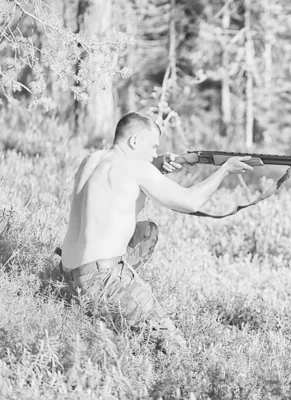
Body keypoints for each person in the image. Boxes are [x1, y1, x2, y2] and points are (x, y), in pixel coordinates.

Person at [58, 111, 253, 350]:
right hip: (101, 279)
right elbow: (190, 201)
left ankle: (111, 310)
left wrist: (158, 165)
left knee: (147, 231)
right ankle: (121, 307)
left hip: (68, 274)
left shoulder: (92, 159)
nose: (154, 154)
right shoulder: (136, 168)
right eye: (152, 147)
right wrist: (225, 169)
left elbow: (116, 192)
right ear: (134, 142)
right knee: (175, 347)